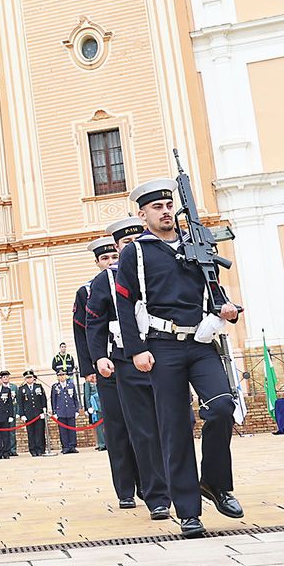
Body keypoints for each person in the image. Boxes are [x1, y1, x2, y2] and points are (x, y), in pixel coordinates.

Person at [114, 178, 242, 539]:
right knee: (175, 429)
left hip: (201, 342)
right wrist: (136, 349)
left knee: (221, 408)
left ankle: (216, 483)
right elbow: (125, 302)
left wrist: (227, 311)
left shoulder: (197, 244)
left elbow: (216, 292)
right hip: (162, 345)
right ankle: (188, 511)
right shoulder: (136, 253)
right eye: (157, 207)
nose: (166, 212)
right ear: (142, 215)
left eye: (169, 205)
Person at [85, 222, 170, 519]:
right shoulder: (103, 281)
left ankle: (174, 484)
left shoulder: (159, 264)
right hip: (124, 358)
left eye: (137, 238)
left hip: (165, 353)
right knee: (135, 430)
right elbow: (91, 323)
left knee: (172, 425)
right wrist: (96, 359)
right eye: (127, 242)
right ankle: (145, 492)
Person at [16, 371, 47, 457]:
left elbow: (43, 399)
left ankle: (41, 449)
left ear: (33, 378)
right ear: (25, 379)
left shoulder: (39, 386)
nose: (29, 379)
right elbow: (20, 403)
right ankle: (33, 450)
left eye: (30, 377)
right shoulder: (22, 389)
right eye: (27, 378)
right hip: (28, 415)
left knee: (40, 432)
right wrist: (22, 414)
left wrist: (44, 411)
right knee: (31, 433)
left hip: (38, 413)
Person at [50, 376, 80, 454]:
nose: (61, 377)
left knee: (72, 429)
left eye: (63, 375)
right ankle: (65, 446)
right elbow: (53, 400)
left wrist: (77, 409)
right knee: (63, 430)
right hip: (61, 411)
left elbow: (75, 398)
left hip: (70, 409)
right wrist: (55, 412)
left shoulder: (71, 385)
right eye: (59, 375)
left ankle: (72, 446)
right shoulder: (55, 387)